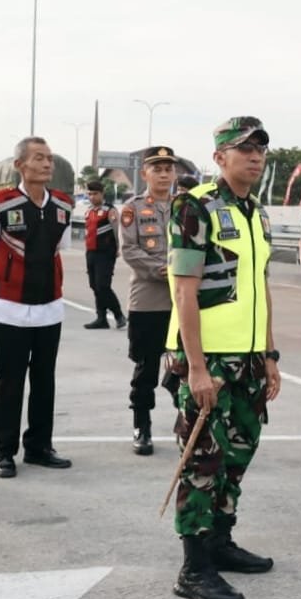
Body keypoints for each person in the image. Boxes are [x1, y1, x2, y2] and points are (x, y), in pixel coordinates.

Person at [166, 117, 280, 599]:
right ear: (219, 157)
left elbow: (261, 288)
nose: (255, 157)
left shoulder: (256, 213)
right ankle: (193, 568)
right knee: (202, 463)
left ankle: (220, 541)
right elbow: (184, 292)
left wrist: (269, 354)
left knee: (237, 456)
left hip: (248, 359)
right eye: (244, 148)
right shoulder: (195, 207)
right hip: (208, 359)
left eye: (260, 149)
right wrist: (195, 368)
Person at [0, 137, 74, 479]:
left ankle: (39, 447)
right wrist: (3, 278)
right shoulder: (0, 203)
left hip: (49, 308)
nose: (46, 164)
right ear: (20, 165)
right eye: (39, 158)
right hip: (9, 310)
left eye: (49, 158)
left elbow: (59, 248)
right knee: (10, 382)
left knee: (45, 381)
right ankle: (4, 451)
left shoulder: (62, 205)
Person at [120, 146, 179, 456]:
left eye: (169, 168)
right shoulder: (133, 208)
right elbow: (129, 250)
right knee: (146, 368)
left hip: (182, 303)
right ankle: (141, 426)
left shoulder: (186, 207)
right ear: (145, 174)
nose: (164, 174)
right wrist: (163, 270)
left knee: (185, 365)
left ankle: (187, 422)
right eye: (158, 169)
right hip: (147, 302)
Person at [83, 180, 126, 330]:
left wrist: (118, 247)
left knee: (103, 286)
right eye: (89, 194)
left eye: (95, 194)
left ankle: (119, 315)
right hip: (91, 252)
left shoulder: (110, 211)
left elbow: (117, 230)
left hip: (105, 253)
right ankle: (101, 318)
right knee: (94, 285)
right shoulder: (88, 211)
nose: (92, 197)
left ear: (102, 194)